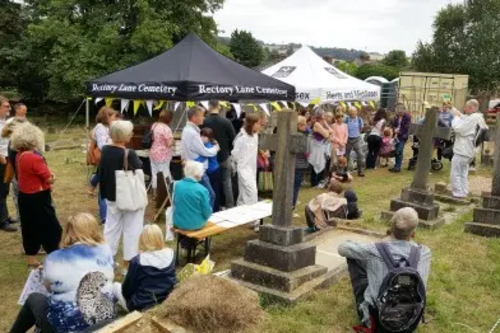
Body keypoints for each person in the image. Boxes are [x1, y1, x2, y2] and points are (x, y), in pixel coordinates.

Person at [10, 213, 116, 333]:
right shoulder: (105, 250)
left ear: (70, 232)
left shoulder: (54, 258)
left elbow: (49, 288)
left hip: (65, 327)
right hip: (103, 324)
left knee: (34, 298)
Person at [338, 207, 431, 331]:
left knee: (354, 258)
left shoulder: (374, 250)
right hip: (410, 322)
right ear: (413, 233)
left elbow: (342, 248)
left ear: (391, 228)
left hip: (377, 323)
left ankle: (366, 312)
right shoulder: (424, 253)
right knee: (404, 278)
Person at [12, 123, 62, 267]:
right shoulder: (34, 158)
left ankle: (32, 260)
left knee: (30, 228)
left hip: (25, 196)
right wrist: (53, 176)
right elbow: (48, 178)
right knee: (52, 227)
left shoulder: (19, 155)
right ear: (34, 139)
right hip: (38, 196)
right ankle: (54, 257)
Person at [99, 120, 144, 270]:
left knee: (111, 228)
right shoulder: (128, 153)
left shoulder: (105, 150)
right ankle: (128, 265)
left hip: (111, 196)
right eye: (130, 133)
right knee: (132, 230)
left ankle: (107, 262)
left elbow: (102, 172)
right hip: (129, 196)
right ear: (125, 135)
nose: (131, 135)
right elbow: (139, 167)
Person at [113, 224, 176, 312]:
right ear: (160, 237)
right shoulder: (171, 254)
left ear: (143, 240)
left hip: (141, 306)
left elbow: (126, 290)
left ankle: (113, 310)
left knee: (115, 286)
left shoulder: (138, 261)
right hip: (165, 301)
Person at [181, 106, 219, 209]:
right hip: (196, 169)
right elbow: (205, 152)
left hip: (190, 168)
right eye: (202, 116)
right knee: (210, 195)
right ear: (194, 117)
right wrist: (216, 148)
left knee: (197, 196)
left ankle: (199, 216)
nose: (204, 118)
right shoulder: (192, 133)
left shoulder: (187, 129)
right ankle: (206, 219)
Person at [450, 99, 488, 198]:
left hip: (463, 150)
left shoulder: (473, 118)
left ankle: (457, 193)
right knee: (463, 173)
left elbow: (459, 128)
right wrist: (453, 109)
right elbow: (465, 118)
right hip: (469, 150)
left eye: (466, 107)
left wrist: (455, 117)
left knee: (456, 172)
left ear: (470, 108)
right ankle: (463, 191)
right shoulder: (478, 117)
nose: (464, 109)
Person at [203, 100, 237, 209]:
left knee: (210, 183)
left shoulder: (204, 122)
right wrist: (228, 150)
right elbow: (234, 139)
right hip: (223, 156)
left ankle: (213, 205)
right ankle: (230, 206)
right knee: (227, 182)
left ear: (209, 106)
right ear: (219, 106)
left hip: (209, 157)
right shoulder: (226, 122)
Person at [88, 107, 118, 224]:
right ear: (107, 117)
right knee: (104, 186)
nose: (115, 118)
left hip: (107, 159)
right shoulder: (100, 128)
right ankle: (104, 216)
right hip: (104, 159)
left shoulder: (106, 127)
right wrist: (115, 141)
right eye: (113, 116)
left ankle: (93, 182)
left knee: (104, 181)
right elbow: (101, 146)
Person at [232, 114, 261, 229]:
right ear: (252, 124)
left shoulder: (255, 135)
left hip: (252, 168)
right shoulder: (241, 137)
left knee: (244, 193)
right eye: (257, 123)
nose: (260, 125)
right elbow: (235, 154)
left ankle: (240, 213)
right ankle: (254, 220)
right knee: (252, 192)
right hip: (244, 169)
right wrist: (241, 164)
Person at [172, 161, 212, 231]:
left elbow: (175, 203)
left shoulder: (177, 185)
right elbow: (207, 212)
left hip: (178, 222)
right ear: (197, 174)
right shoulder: (202, 190)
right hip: (195, 224)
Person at [2, 117, 28, 225]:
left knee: (19, 199)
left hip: (20, 178)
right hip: (23, 179)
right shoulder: (17, 146)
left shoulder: (14, 143)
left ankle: (23, 220)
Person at [195, 128, 222, 212]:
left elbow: (201, 158)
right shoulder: (213, 143)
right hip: (215, 169)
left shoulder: (207, 146)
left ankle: (213, 210)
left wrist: (191, 162)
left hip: (212, 171)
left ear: (209, 137)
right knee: (214, 190)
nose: (202, 137)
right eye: (201, 135)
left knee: (211, 192)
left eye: (205, 136)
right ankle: (216, 209)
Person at [0, 96, 16, 232]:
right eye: (6, 106)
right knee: (1, 190)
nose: (9, 109)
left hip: (7, 158)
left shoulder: (5, 122)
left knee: (5, 190)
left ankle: (5, 215)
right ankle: (2, 221)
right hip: (1, 160)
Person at [149, 110, 174, 197]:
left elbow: (152, 138)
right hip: (163, 154)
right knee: (165, 173)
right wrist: (173, 141)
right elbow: (168, 144)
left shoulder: (154, 125)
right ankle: (166, 193)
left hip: (153, 151)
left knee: (154, 173)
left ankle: (155, 193)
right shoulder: (167, 129)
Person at [308, 109, 331, 187]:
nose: (325, 116)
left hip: (321, 146)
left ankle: (319, 180)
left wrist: (325, 124)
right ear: (320, 116)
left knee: (322, 162)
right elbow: (327, 135)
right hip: (316, 146)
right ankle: (314, 182)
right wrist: (327, 131)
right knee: (316, 163)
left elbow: (331, 131)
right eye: (323, 114)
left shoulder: (322, 124)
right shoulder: (317, 124)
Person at [293, 116, 309, 210]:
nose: (306, 126)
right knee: (295, 187)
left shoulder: (293, 134)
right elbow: (305, 151)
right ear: (300, 125)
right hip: (299, 164)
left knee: (294, 187)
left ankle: (291, 205)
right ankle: (292, 207)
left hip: (295, 164)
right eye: (304, 124)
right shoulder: (302, 136)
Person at [390, 104, 411, 173]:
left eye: (401, 113)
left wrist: (400, 132)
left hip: (402, 136)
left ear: (403, 111)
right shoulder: (396, 117)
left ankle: (397, 167)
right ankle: (396, 167)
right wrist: (394, 129)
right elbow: (393, 125)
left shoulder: (407, 117)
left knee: (399, 150)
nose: (400, 114)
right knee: (397, 151)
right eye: (399, 113)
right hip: (396, 136)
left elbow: (407, 128)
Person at [345, 107, 365, 177]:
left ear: (356, 112)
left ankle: (361, 171)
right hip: (348, 139)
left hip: (356, 139)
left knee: (360, 155)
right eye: (351, 113)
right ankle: (345, 172)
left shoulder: (359, 119)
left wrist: (357, 134)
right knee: (346, 156)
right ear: (349, 113)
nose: (353, 114)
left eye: (354, 112)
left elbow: (361, 129)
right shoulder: (346, 119)